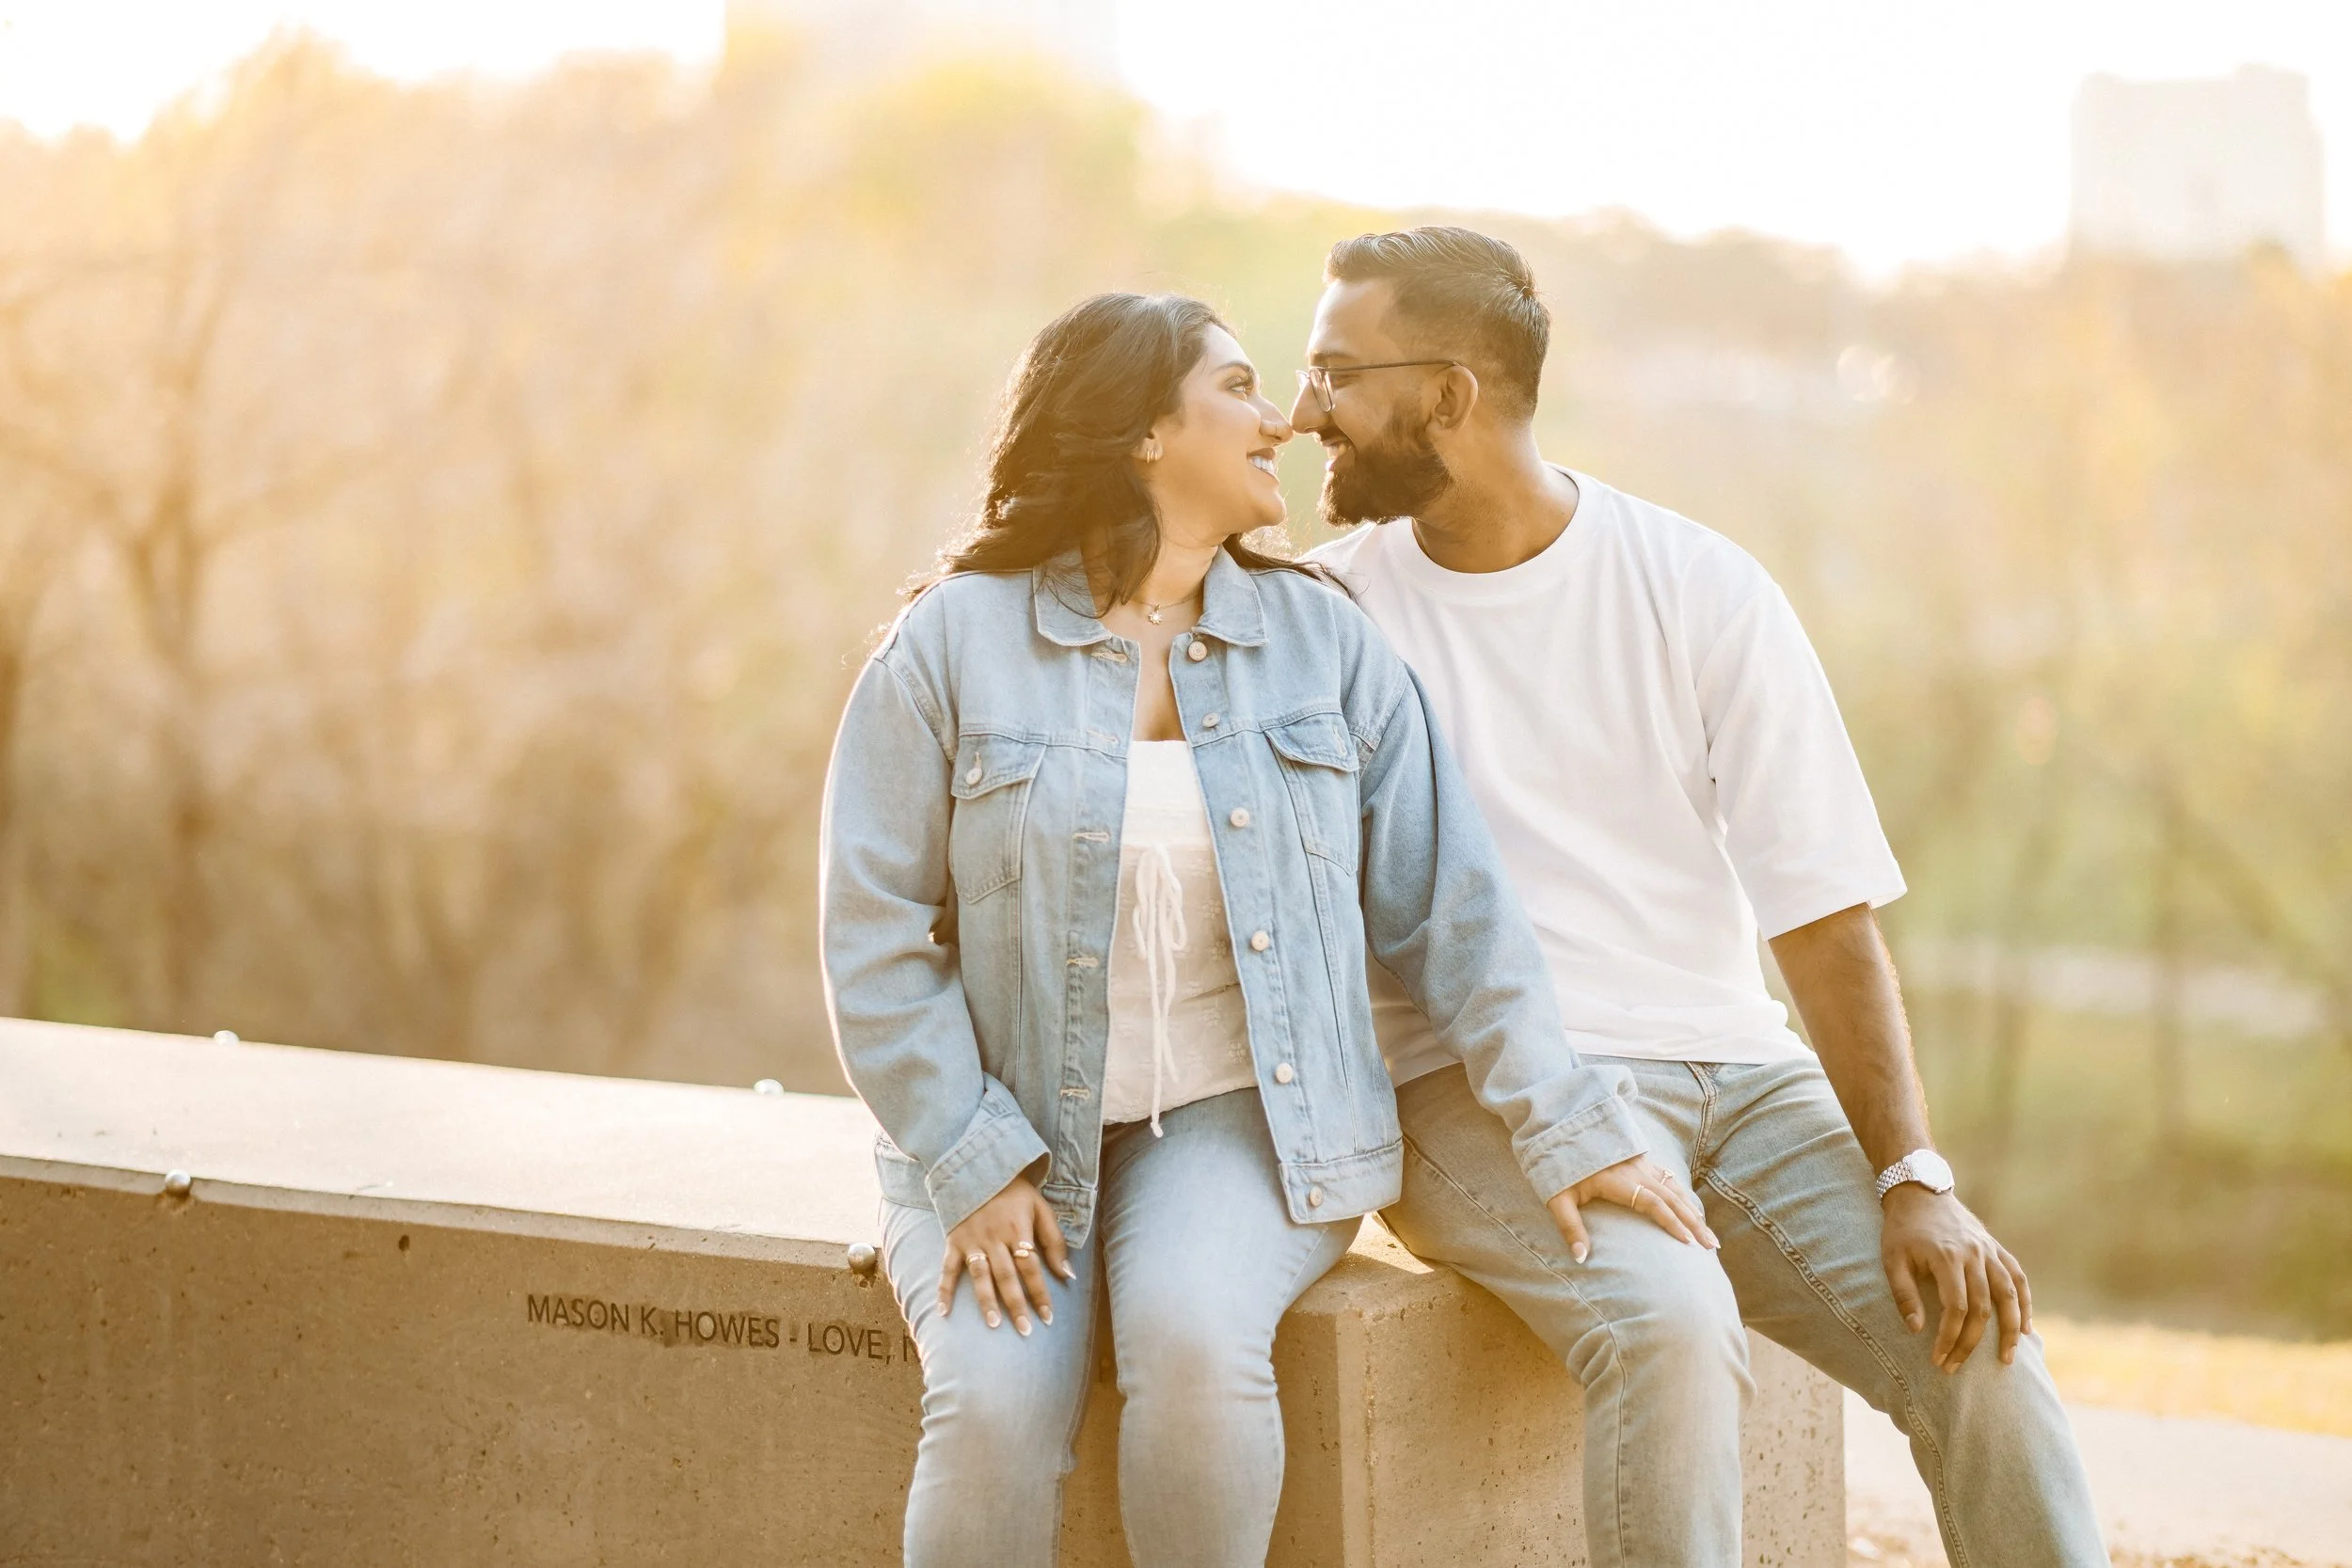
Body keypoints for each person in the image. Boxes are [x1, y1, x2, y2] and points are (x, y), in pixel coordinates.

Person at [818, 292, 1695, 1568]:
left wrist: (1564, 1126)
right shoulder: (952, 644)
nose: (1280, 415)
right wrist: (969, 1157)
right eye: (1237, 388)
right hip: (1000, 1116)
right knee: (996, 1406)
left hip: (1246, 1112)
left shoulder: (1322, 643)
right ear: (1141, 434)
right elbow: (875, 934)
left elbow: (1455, 912)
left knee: (1193, 1335)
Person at [1292, 228, 2110, 1568]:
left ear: (1450, 394)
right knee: (1669, 1326)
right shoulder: (1330, 616)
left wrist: (1914, 1174)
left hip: (1740, 1073)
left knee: (1978, 1340)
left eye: (1337, 370)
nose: (1305, 404)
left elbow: (1824, 909)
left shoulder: (1699, 586)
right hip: (1487, 1085)